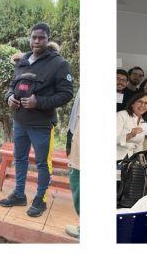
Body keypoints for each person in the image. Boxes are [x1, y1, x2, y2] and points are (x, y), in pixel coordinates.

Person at [0, 23, 74, 218]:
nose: (37, 41)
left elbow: (66, 94)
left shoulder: (59, 64)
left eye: (41, 37)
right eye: (34, 37)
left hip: (41, 124)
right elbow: (11, 85)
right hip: (20, 121)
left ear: (48, 39)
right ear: (30, 38)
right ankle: (19, 194)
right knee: (20, 158)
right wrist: (9, 97)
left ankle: (40, 199)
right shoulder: (23, 60)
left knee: (43, 163)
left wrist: (38, 102)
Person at [117, 93, 147, 159]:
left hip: (129, 160)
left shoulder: (143, 121)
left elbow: (139, 145)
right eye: (140, 102)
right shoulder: (121, 115)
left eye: (146, 103)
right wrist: (130, 135)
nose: (143, 105)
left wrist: (139, 161)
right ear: (132, 103)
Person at [65, 93, 81, 238]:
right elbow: (74, 116)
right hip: (77, 140)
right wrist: (69, 140)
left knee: (79, 186)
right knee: (76, 183)